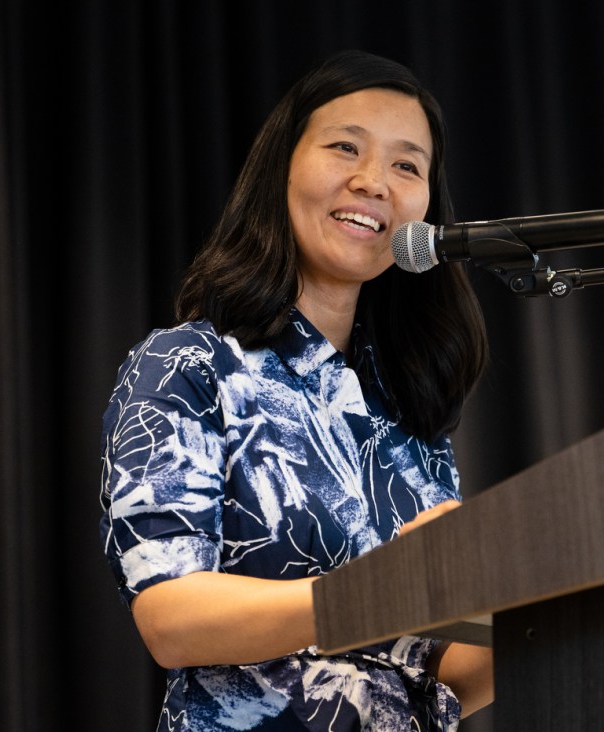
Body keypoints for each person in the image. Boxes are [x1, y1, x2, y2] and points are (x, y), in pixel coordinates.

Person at [99, 49, 492, 731]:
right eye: (346, 147)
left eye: (407, 165)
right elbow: (172, 616)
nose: (374, 182)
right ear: (281, 167)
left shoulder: (404, 410)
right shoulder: (188, 363)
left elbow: (446, 668)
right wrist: (381, 588)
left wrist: (549, 605)